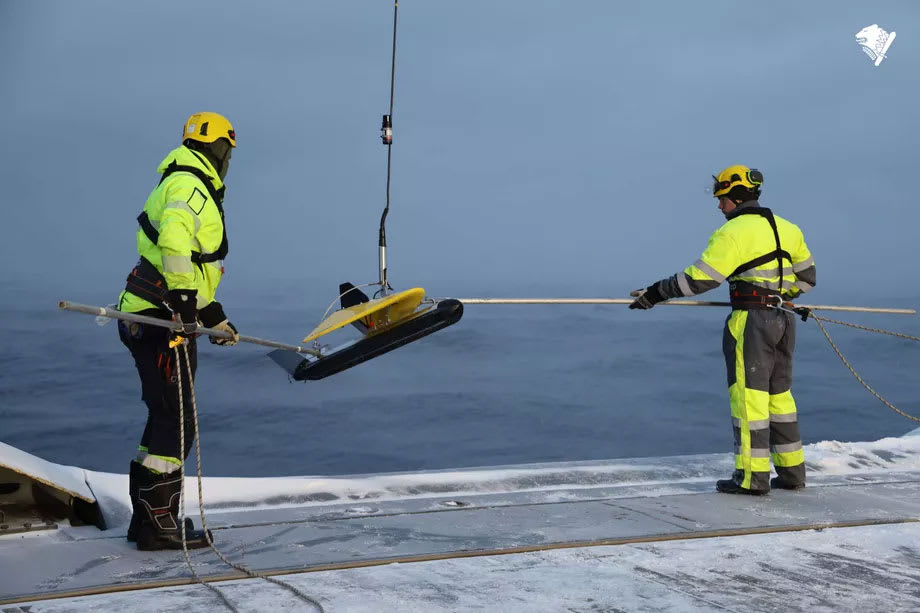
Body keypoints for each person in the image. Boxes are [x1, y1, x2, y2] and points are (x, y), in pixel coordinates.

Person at [629, 165, 816, 495]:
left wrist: (655, 293)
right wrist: (781, 295)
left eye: (722, 199)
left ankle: (751, 479)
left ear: (736, 197)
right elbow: (807, 279)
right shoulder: (789, 228)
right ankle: (792, 474)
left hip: (752, 321)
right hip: (784, 319)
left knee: (748, 398)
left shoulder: (733, 232)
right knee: (779, 397)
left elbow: (701, 278)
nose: (719, 206)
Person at [117, 112, 240, 549]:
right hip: (161, 318)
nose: (228, 160)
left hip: (152, 312)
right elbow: (173, 242)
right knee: (176, 419)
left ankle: (146, 520)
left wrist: (212, 316)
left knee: (165, 415)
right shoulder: (190, 184)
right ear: (217, 150)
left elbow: (187, 263)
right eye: (227, 150)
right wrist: (186, 303)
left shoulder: (183, 180)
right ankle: (159, 524)